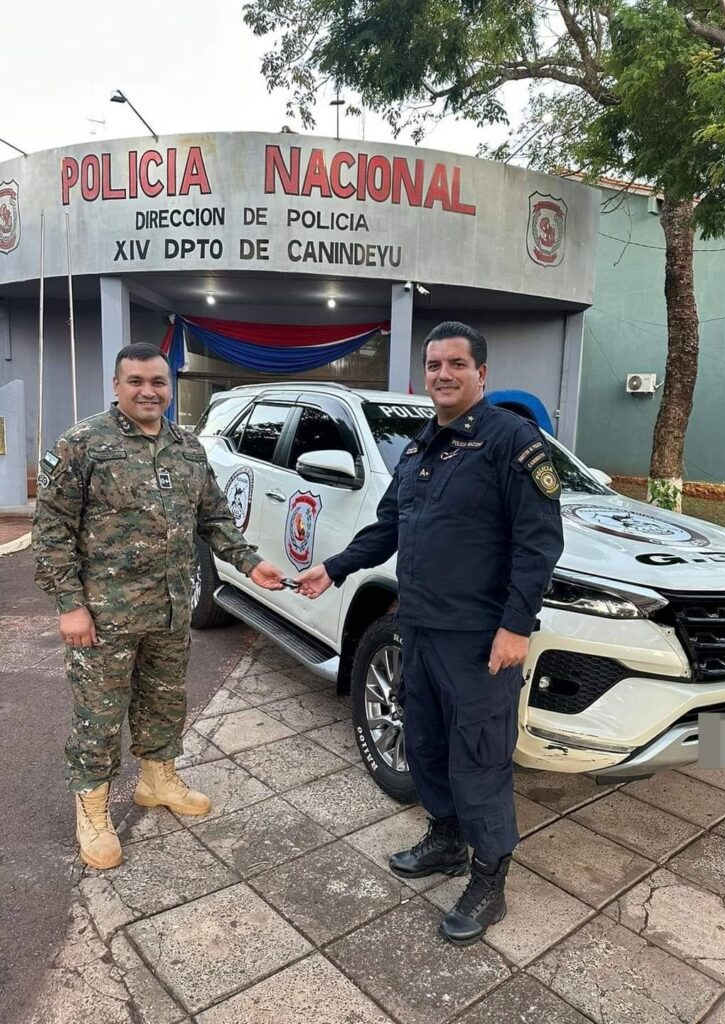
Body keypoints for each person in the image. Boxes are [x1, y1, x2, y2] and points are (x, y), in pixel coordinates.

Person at [296, 321, 564, 946]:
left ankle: (489, 878)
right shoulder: (419, 450)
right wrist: (332, 569)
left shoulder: (512, 443)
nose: (443, 374)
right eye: (434, 365)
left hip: (479, 641)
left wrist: (515, 627)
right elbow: (387, 527)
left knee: (480, 757)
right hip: (419, 627)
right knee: (427, 742)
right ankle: (445, 838)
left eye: (456, 365)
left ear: (482, 375)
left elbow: (538, 543)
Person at [32, 343, 287, 870]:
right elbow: (52, 529)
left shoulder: (188, 448)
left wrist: (249, 561)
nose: (148, 391)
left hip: (172, 610)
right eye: (136, 382)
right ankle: (93, 808)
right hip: (105, 615)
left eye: (157, 382)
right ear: (116, 385)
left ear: (169, 388)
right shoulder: (84, 444)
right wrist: (69, 604)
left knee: (166, 701)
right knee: (99, 717)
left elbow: (213, 516)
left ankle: (156, 779)